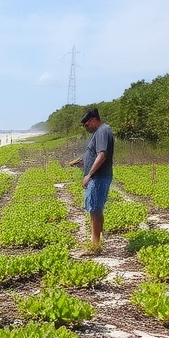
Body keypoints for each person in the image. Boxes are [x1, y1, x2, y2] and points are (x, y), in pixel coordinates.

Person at [71, 107, 114, 253]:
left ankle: (95, 246)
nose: (85, 128)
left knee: (95, 210)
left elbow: (102, 155)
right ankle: (97, 240)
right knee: (96, 210)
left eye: (87, 125)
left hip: (98, 177)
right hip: (98, 177)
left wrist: (89, 175)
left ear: (94, 120)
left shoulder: (102, 131)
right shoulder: (100, 131)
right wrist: (83, 163)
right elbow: (96, 155)